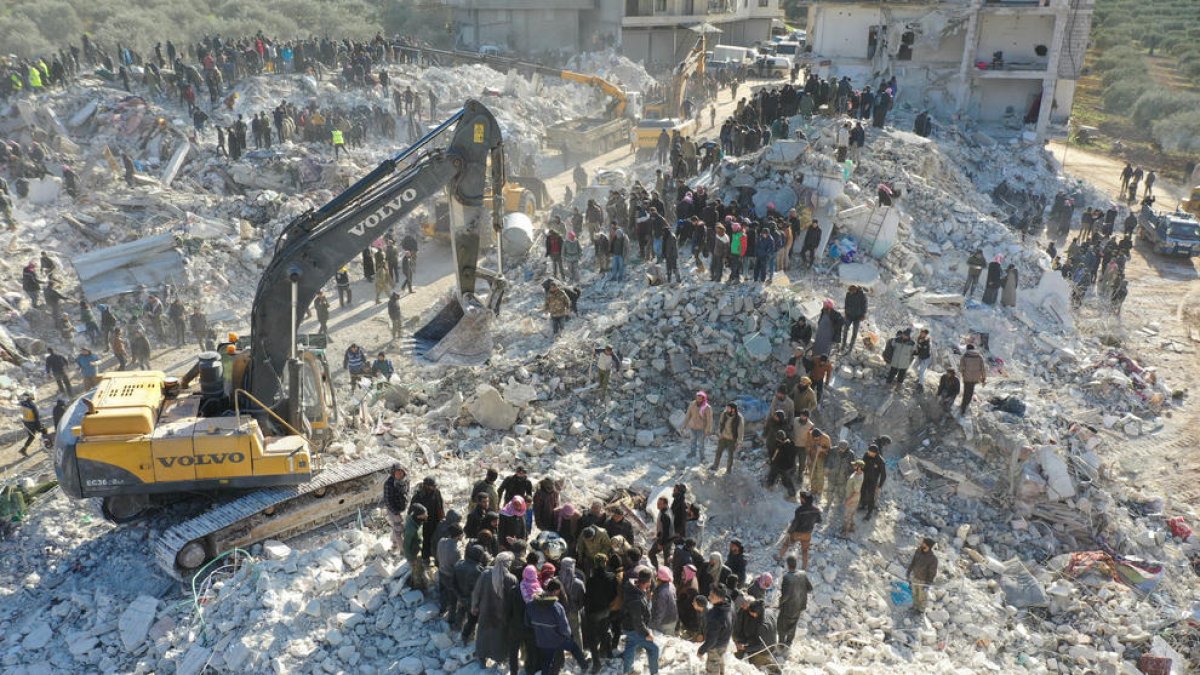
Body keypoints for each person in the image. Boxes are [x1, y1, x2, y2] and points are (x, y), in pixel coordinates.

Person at [526, 578, 589, 675]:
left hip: (541, 640)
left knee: (546, 662)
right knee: (574, 647)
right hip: (557, 640)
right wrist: (568, 636)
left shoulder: (531, 605)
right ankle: (584, 666)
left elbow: (527, 622)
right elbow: (565, 629)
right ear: (555, 591)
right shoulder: (557, 607)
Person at [472, 551, 521, 671]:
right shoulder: (511, 579)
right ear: (507, 563)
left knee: (483, 634)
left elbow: (476, 591)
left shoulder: (486, 574)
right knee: (500, 637)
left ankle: (482, 658)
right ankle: (499, 659)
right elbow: (515, 600)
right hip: (502, 614)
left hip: (485, 611)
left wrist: (474, 606)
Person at [622, 568, 660, 675]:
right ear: (648, 582)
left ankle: (628, 671)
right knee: (654, 649)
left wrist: (646, 596)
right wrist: (647, 634)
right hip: (633, 628)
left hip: (629, 625)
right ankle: (654, 673)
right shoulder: (636, 600)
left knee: (631, 645)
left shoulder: (634, 587)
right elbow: (638, 622)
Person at [776, 555, 812, 646]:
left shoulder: (787, 577)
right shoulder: (803, 574)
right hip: (799, 606)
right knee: (793, 624)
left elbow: (786, 595)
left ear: (788, 565)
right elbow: (810, 588)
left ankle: (781, 643)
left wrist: (780, 602)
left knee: (782, 624)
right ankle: (789, 642)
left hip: (788, 607)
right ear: (796, 564)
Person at [697, 585, 734, 675]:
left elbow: (711, 640)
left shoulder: (716, 616)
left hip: (716, 645)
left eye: (712, 596)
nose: (709, 598)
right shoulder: (730, 605)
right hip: (725, 640)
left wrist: (701, 651)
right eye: (710, 594)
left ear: (720, 598)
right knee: (720, 660)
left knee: (712, 665)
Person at [778, 492, 821, 569]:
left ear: (804, 500)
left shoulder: (799, 510)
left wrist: (789, 532)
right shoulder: (816, 510)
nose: (800, 500)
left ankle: (779, 557)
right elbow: (819, 520)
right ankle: (804, 567)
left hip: (797, 533)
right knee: (805, 551)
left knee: (786, 544)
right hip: (807, 534)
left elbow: (795, 523)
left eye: (801, 498)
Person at [414, 477, 446, 560]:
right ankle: (425, 557)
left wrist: (442, 518)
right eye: (432, 486)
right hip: (425, 523)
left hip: (435, 521)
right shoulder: (418, 496)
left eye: (435, 486)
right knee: (426, 540)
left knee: (436, 538)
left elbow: (440, 505)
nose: (434, 488)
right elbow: (413, 511)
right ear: (426, 486)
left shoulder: (436, 492)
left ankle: (435, 554)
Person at [711, 402, 745, 474]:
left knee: (730, 455)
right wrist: (719, 433)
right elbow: (720, 424)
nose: (726, 409)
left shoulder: (739, 418)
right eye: (727, 408)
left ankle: (728, 470)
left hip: (732, 440)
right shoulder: (724, 414)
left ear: (733, 409)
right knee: (718, 452)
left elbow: (740, 430)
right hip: (723, 437)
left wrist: (739, 442)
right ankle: (715, 466)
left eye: (728, 408)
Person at [907, 538, 939, 613]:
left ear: (928, 546)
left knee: (922, 597)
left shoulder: (933, 559)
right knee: (914, 594)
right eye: (922, 543)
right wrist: (908, 573)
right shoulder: (918, 551)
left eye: (924, 543)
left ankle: (921, 610)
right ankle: (915, 607)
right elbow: (913, 562)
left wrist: (927, 584)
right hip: (915, 577)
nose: (922, 544)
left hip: (923, 581)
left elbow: (932, 573)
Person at [404, 504, 430, 588]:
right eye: (424, 514)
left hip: (417, 548)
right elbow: (406, 545)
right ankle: (417, 587)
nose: (427, 515)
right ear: (418, 516)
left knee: (420, 568)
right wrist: (411, 559)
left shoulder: (417, 520)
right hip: (413, 553)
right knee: (416, 572)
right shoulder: (411, 529)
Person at [683, 391, 714, 460]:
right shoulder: (692, 404)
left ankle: (702, 457)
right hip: (693, 427)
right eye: (697, 398)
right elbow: (688, 415)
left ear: (703, 399)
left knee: (701, 444)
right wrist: (684, 426)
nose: (698, 400)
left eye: (700, 398)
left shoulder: (707, 407)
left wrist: (708, 430)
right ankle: (692, 453)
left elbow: (709, 420)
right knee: (692, 441)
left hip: (701, 428)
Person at [859, 445, 887, 519]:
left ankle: (869, 512)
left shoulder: (880, 461)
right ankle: (863, 505)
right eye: (868, 451)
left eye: (870, 452)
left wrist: (880, 485)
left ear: (875, 453)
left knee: (871, 497)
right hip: (864, 478)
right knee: (863, 492)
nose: (869, 453)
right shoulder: (866, 455)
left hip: (873, 481)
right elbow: (862, 464)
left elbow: (883, 475)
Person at [958, 344, 987, 415]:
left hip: (967, 377)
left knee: (966, 391)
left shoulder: (965, 356)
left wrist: (962, 373)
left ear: (967, 349)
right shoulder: (979, 356)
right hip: (975, 377)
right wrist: (983, 378)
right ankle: (966, 405)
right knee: (971, 391)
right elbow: (983, 368)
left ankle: (963, 407)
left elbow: (961, 367)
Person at [650, 566, 678, 636]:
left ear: (659, 579)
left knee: (661, 642)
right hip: (672, 619)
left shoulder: (662, 593)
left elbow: (660, 612)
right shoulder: (671, 585)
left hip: (664, 623)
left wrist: (652, 625)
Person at [806, 428, 831, 497]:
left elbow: (829, 450)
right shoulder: (810, 436)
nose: (816, 439)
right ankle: (813, 489)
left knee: (819, 474)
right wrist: (808, 456)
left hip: (821, 458)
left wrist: (822, 449)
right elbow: (807, 446)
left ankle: (819, 490)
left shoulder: (826, 438)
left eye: (817, 438)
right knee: (812, 472)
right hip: (812, 456)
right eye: (814, 438)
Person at [842, 461, 865, 535]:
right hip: (852, 496)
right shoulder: (857, 473)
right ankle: (852, 527)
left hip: (852, 497)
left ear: (859, 467)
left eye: (855, 465)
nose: (853, 466)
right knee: (852, 513)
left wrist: (848, 500)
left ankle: (845, 532)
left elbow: (856, 492)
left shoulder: (858, 478)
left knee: (847, 514)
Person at [842, 285, 867, 352]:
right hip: (849, 315)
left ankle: (850, 348)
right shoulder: (848, 294)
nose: (851, 292)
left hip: (857, 317)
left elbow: (864, 305)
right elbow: (846, 304)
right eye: (850, 291)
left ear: (856, 289)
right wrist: (846, 313)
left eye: (852, 291)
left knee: (854, 333)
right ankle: (843, 345)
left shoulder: (862, 295)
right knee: (845, 330)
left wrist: (863, 314)